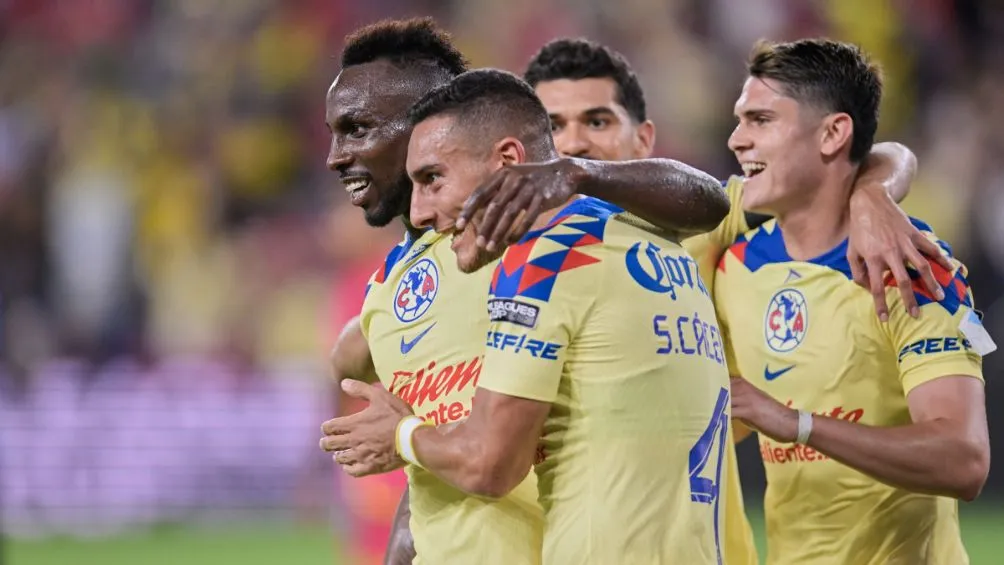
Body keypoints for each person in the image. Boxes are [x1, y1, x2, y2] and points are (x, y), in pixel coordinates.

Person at [461, 37, 946, 565]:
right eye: (553, 126)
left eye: (597, 122)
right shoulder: (501, 261)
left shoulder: (689, 226)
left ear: (644, 139)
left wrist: (873, 194)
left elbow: (860, 154)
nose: (574, 143)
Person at [325, 17, 746, 565]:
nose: (335, 155)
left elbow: (720, 199)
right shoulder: (390, 286)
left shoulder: (548, 240)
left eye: (357, 129)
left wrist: (878, 185)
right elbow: (426, 464)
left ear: (427, 123)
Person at [715, 38, 994, 565]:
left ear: (833, 133)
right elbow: (731, 415)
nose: (736, 139)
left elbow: (964, 459)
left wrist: (796, 423)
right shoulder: (733, 267)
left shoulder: (910, 267)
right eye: (739, 120)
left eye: (760, 120)